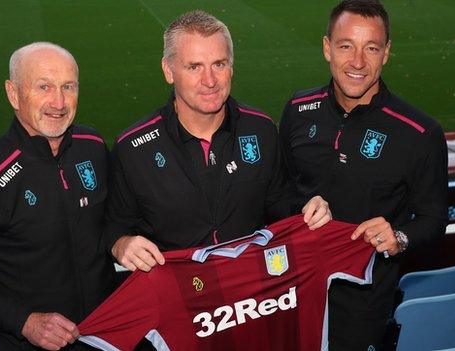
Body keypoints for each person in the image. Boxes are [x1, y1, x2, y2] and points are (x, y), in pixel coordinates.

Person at [105, 10, 331, 274]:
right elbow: (114, 226)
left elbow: (282, 204)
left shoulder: (262, 130)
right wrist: (121, 243)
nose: (210, 81)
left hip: (250, 298)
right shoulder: (133, 149)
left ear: (232, 66)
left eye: (219, 64)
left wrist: (309, 207)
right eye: (194, 67)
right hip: (177, 302)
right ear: (168, 70)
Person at [279, 1, 448, 350]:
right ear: (327, 48)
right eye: (346, 46)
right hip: (289, 295)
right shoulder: (297, 110)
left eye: (371, 48)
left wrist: (399, 236)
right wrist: (300, 204)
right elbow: (278, 190)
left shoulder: (420, 133)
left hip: (361, 309)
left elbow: (434, 218)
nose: (358, 62)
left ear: (386, 53)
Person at [0, 42, 117, 350]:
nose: (58, 102)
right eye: (44, 87)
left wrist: (122, 239)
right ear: (13, 93)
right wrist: (24, 321)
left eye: (68, 86)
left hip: (106, 337)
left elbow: (111, 220)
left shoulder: (94, 146)